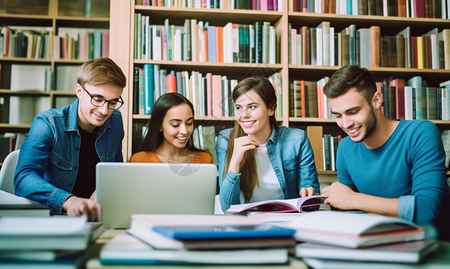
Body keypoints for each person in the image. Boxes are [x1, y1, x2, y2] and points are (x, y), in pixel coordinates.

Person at [322, 65, 450, 240]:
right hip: (377, 243)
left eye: (353, 112)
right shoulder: (345, 148)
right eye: (338, 115)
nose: (345, 124)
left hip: (430, 246)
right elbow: (347, 211)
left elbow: (426, 210)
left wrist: (353, 199)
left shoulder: (420, 133)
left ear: (376, 100)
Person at [14, 58, 126, 221]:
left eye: (113, 102)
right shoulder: (47, 123)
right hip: (53, 217)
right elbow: (23, 178)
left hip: (98, 217)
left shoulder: (115, 120)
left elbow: (115, 170)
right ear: (79, 91)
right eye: (97, 99)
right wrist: (69, 201)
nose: (104, 110)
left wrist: (103, 189)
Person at [216, 76, 320, 213]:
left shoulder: (297, 139)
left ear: (271, 109)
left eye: (252, 107)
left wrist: (309, 195)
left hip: (288, 219)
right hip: (246, 222)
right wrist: (234, 163)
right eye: (239, 108)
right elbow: (227, 207)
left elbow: (312, 203)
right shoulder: (225, 139)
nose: (244, 115)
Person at [130, 92, 212, 164]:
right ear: (159, 126)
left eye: (189, 123)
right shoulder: (140, 160)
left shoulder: (205, 159)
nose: (184, 131)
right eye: (175, 124)